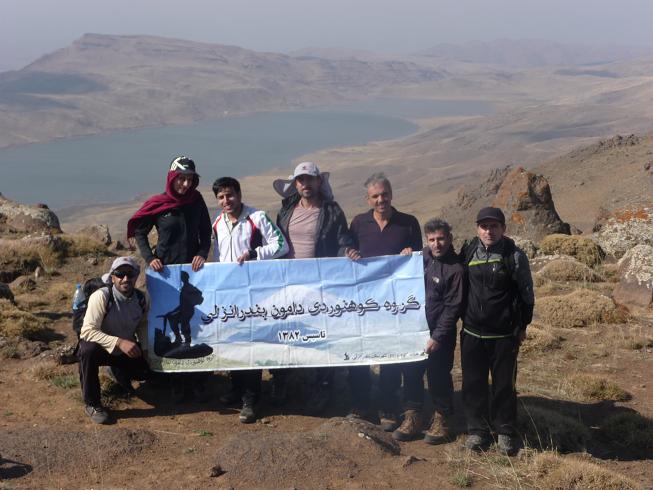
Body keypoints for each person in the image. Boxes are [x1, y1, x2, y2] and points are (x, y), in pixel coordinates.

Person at [127, 155, 212, 400]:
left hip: (192, 273)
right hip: (164, 275)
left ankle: (197, 378)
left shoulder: (196, 201)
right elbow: (141, 232)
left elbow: (205, 232)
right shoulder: (160, 203)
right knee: (166, 327)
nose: (185, 184)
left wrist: (201, 253)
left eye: (190, 180)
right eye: (181, 179)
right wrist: (149, 257)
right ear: (171, 178)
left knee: (194, 324)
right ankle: (172, 379)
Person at [273, 161, 354, 413]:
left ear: (319, 182)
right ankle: (282, 382)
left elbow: (342, 239)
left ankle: (323, 384)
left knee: (320, 333)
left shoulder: (332, 211)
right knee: (284, 331)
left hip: (320, 284)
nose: (305, 184)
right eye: (301, 180)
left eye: (310, 179)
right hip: (288, 283)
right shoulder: (286, 209)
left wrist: (346, 251)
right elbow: (277, 242)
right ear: (295, 184)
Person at [345, 173, 422, 433]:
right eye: (375, 196)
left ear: (391, 194)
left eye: (384, 194)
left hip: (395, 304)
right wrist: (348, 252)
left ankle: (388, 405)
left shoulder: (408, 223)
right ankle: (361, 404)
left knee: (391, 353)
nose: (381, 200)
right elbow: (347, 250)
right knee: (361, 351)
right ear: (368, 199)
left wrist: (410, 254)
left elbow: (419, 261)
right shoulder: (358, 223)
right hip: (364, 303)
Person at [211, 176, 289, 423]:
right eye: (221, 197)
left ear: (239, 194)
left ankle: (251, 399)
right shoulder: (218, 223)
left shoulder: (257, 217)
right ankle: (236, 387)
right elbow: (218, 256)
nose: (226, 200)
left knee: (251, 343)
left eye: (230, 195)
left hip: (255, 294)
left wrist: (255, 254)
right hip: (229, 294)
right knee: (233, 341)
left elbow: (281, 245)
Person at [460, 206, 534, 455]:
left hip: (504, 335)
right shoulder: (469, 251)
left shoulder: (515, 256)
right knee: (473, 384)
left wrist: (522, 325)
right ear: (477, 229)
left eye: (494, 226)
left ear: (503, 228)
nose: (489, 231)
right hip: (472, 333)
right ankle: (477, 430)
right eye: (484, 226)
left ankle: (505, 431)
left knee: (504, 385)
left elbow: (527, 295)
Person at [392, 218, 464, 442]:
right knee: (411, 372)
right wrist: (404, 258)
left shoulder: (455, 269)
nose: (436, 244)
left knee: (438, 375)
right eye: (431, 239)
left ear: (449, 238)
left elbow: (453, 308)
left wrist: (438, 336)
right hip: (414, 329)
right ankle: (412, 416)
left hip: (439, 334)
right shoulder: (419, 258)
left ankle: (443, 418)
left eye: (441, 238)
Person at [78, 257, 149, 424]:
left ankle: (116, 372)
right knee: (87, 350)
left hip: (125, 350)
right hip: (102, 349)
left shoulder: (142, 299)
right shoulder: (102, 296)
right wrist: (119, 342)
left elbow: (143, 325)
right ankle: (92, 403)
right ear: (112, 277)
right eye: (120, 274)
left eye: (130, 274)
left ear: (136, 276)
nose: (125, 278)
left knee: (147, 372)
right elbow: (87, 331)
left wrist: (146, 350)